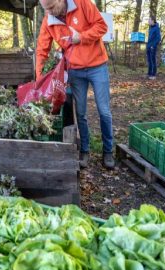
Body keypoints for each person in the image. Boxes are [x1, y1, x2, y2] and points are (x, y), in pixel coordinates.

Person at [37, 0, 114, 169]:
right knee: (80, 113)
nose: (49, 11)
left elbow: (102, 26)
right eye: (46, 9)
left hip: (97, 66)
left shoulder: (82, 3)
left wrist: (82, 37)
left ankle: (108, 150)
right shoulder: (49, 21)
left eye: (51, 7)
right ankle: (85, 150)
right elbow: (42, 51)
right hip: (75, 71)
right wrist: (40, 80)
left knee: (104, 111)